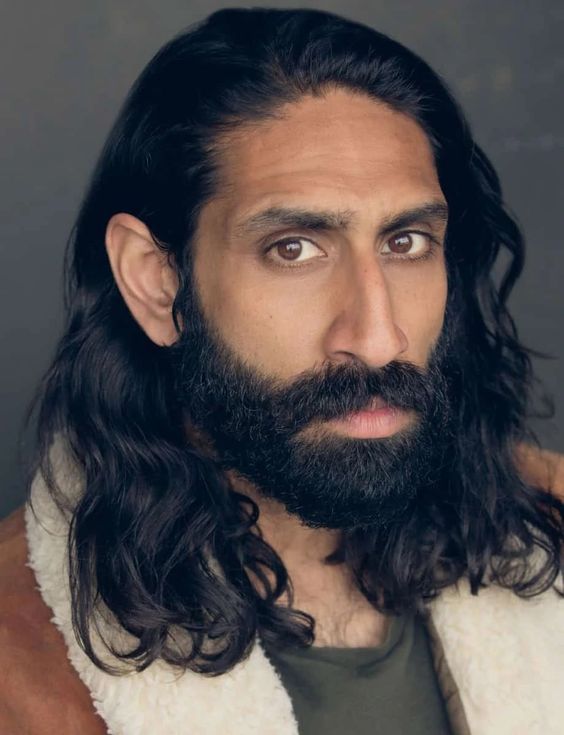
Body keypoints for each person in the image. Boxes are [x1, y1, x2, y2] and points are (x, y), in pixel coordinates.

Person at [0, 7, 563, 735]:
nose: (378, 339)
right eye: (293, 248)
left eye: (407, 242)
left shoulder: (545, 526)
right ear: (157, 282)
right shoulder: (17, 660)